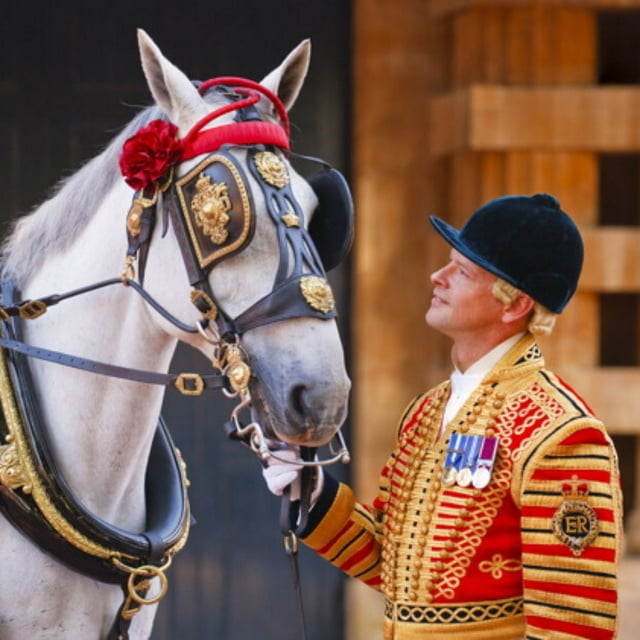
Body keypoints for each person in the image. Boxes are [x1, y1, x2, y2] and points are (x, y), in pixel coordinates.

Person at [263, 193, 623, 639]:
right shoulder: (426, 411)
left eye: (463, 271)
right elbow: (393, 568)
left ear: (514, 305)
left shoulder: (559, 433)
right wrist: (313, 493)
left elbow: (572, 625)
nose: (438, 276)